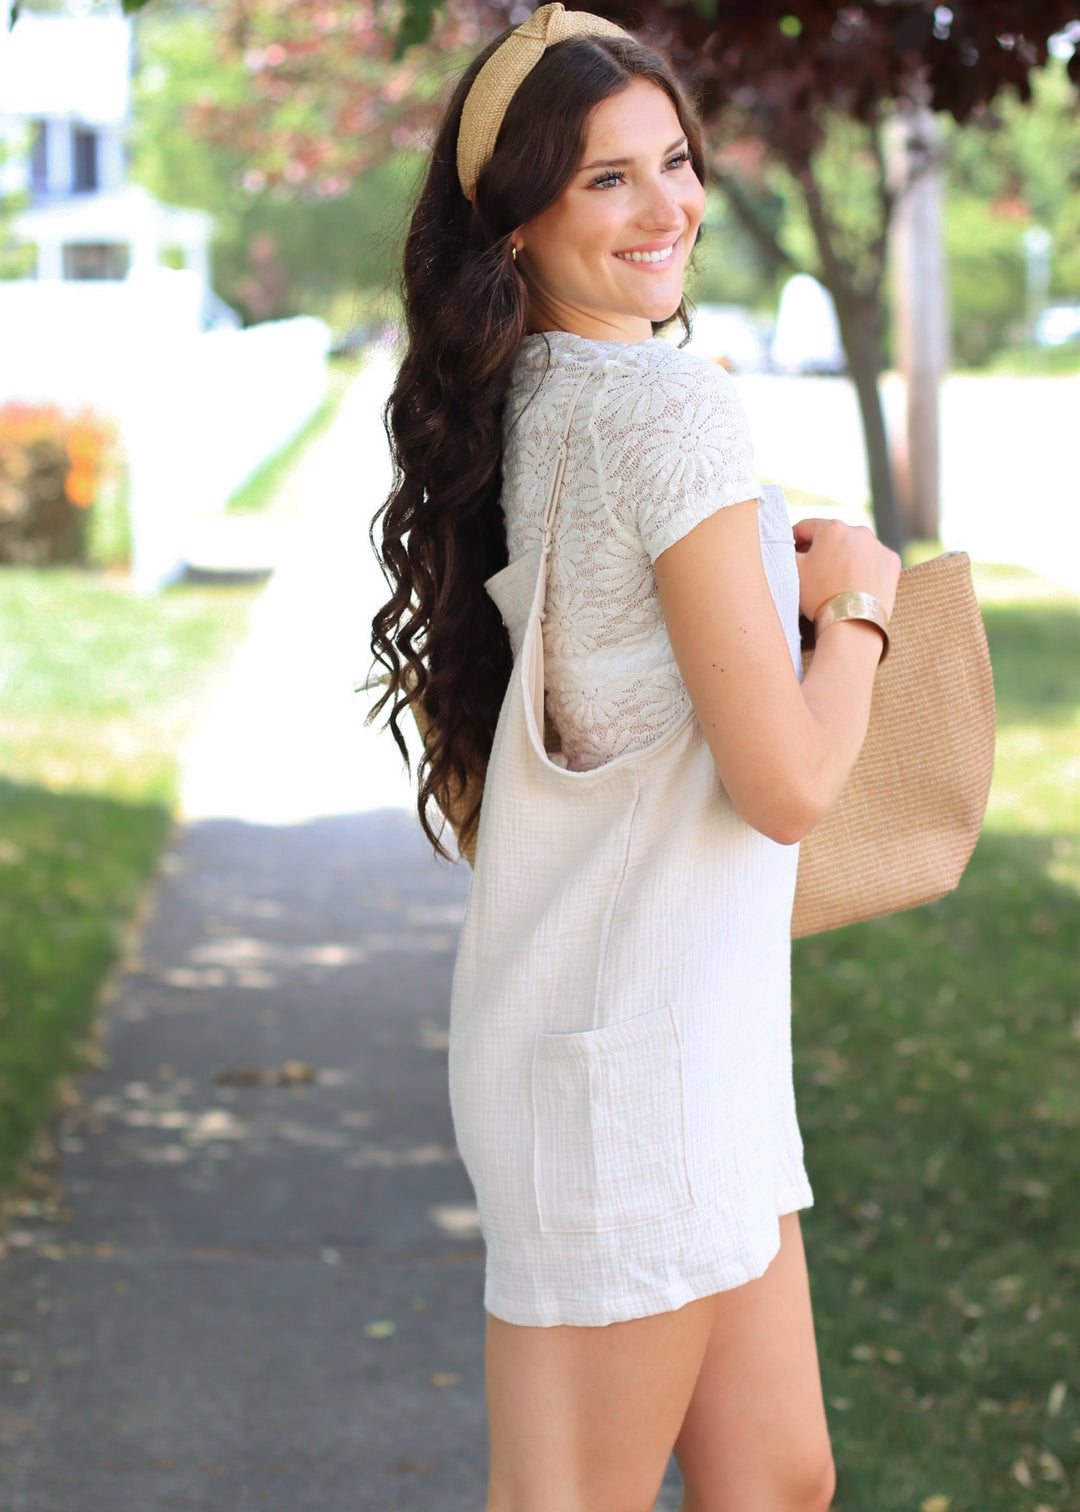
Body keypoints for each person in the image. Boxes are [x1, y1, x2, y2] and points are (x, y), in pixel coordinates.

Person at [370, 7, 901, 1509]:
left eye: (673, 161)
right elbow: (789, 784)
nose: (667, 206)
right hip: (630, 1066)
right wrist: (859, 598)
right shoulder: (661, 409)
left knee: (781, 1479)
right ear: (516, 221)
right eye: (607, 180)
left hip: (683, 1035)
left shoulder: (532, 399)